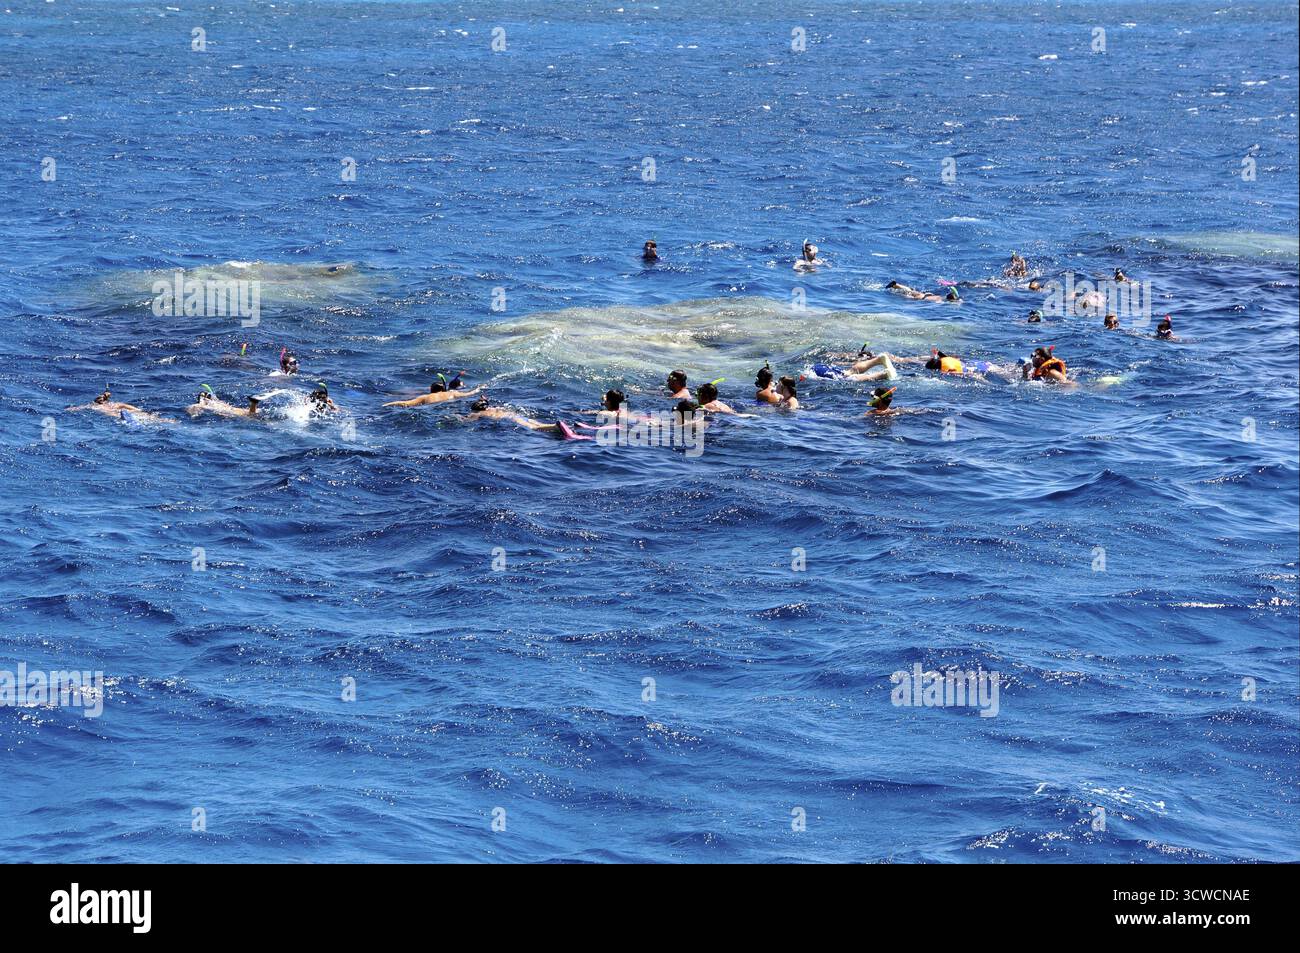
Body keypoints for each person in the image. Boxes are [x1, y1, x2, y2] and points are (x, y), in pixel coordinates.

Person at [465, 396, 587, 439]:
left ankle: (556, 427)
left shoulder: (478, 413)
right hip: (516, 414)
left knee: (533, 428)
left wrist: (458, 419)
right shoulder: (494, 408)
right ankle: (562, 426)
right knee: (536, 423)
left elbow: (469, 420)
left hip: (511, 418)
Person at [67, 389, 171, 423]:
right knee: (117, 413)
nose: (101, 398)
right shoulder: (95, 406)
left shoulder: (113, 403)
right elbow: (81, 407)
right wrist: (72, 409)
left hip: (121, 412)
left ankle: (164, 420)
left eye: (102, 397)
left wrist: (138, 410)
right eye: (99, 398)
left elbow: (127, 406)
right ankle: (132, 417)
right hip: (116, 414)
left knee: (125, 409)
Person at [383, 376, 482, 407]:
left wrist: (388, 404)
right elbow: (469, 394)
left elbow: (405, 404)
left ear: (431, 390)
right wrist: (478, 389)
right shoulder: (452, 393)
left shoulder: (424, 397)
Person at [186, 385, 261, 418]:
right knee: (251, 414)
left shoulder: (206, 404)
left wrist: (193, 415)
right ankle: (253, 404)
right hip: (231, 409)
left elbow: (194, 407)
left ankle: (253, 403)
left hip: (229, 411)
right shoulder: (213, 402)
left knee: (251, 415)